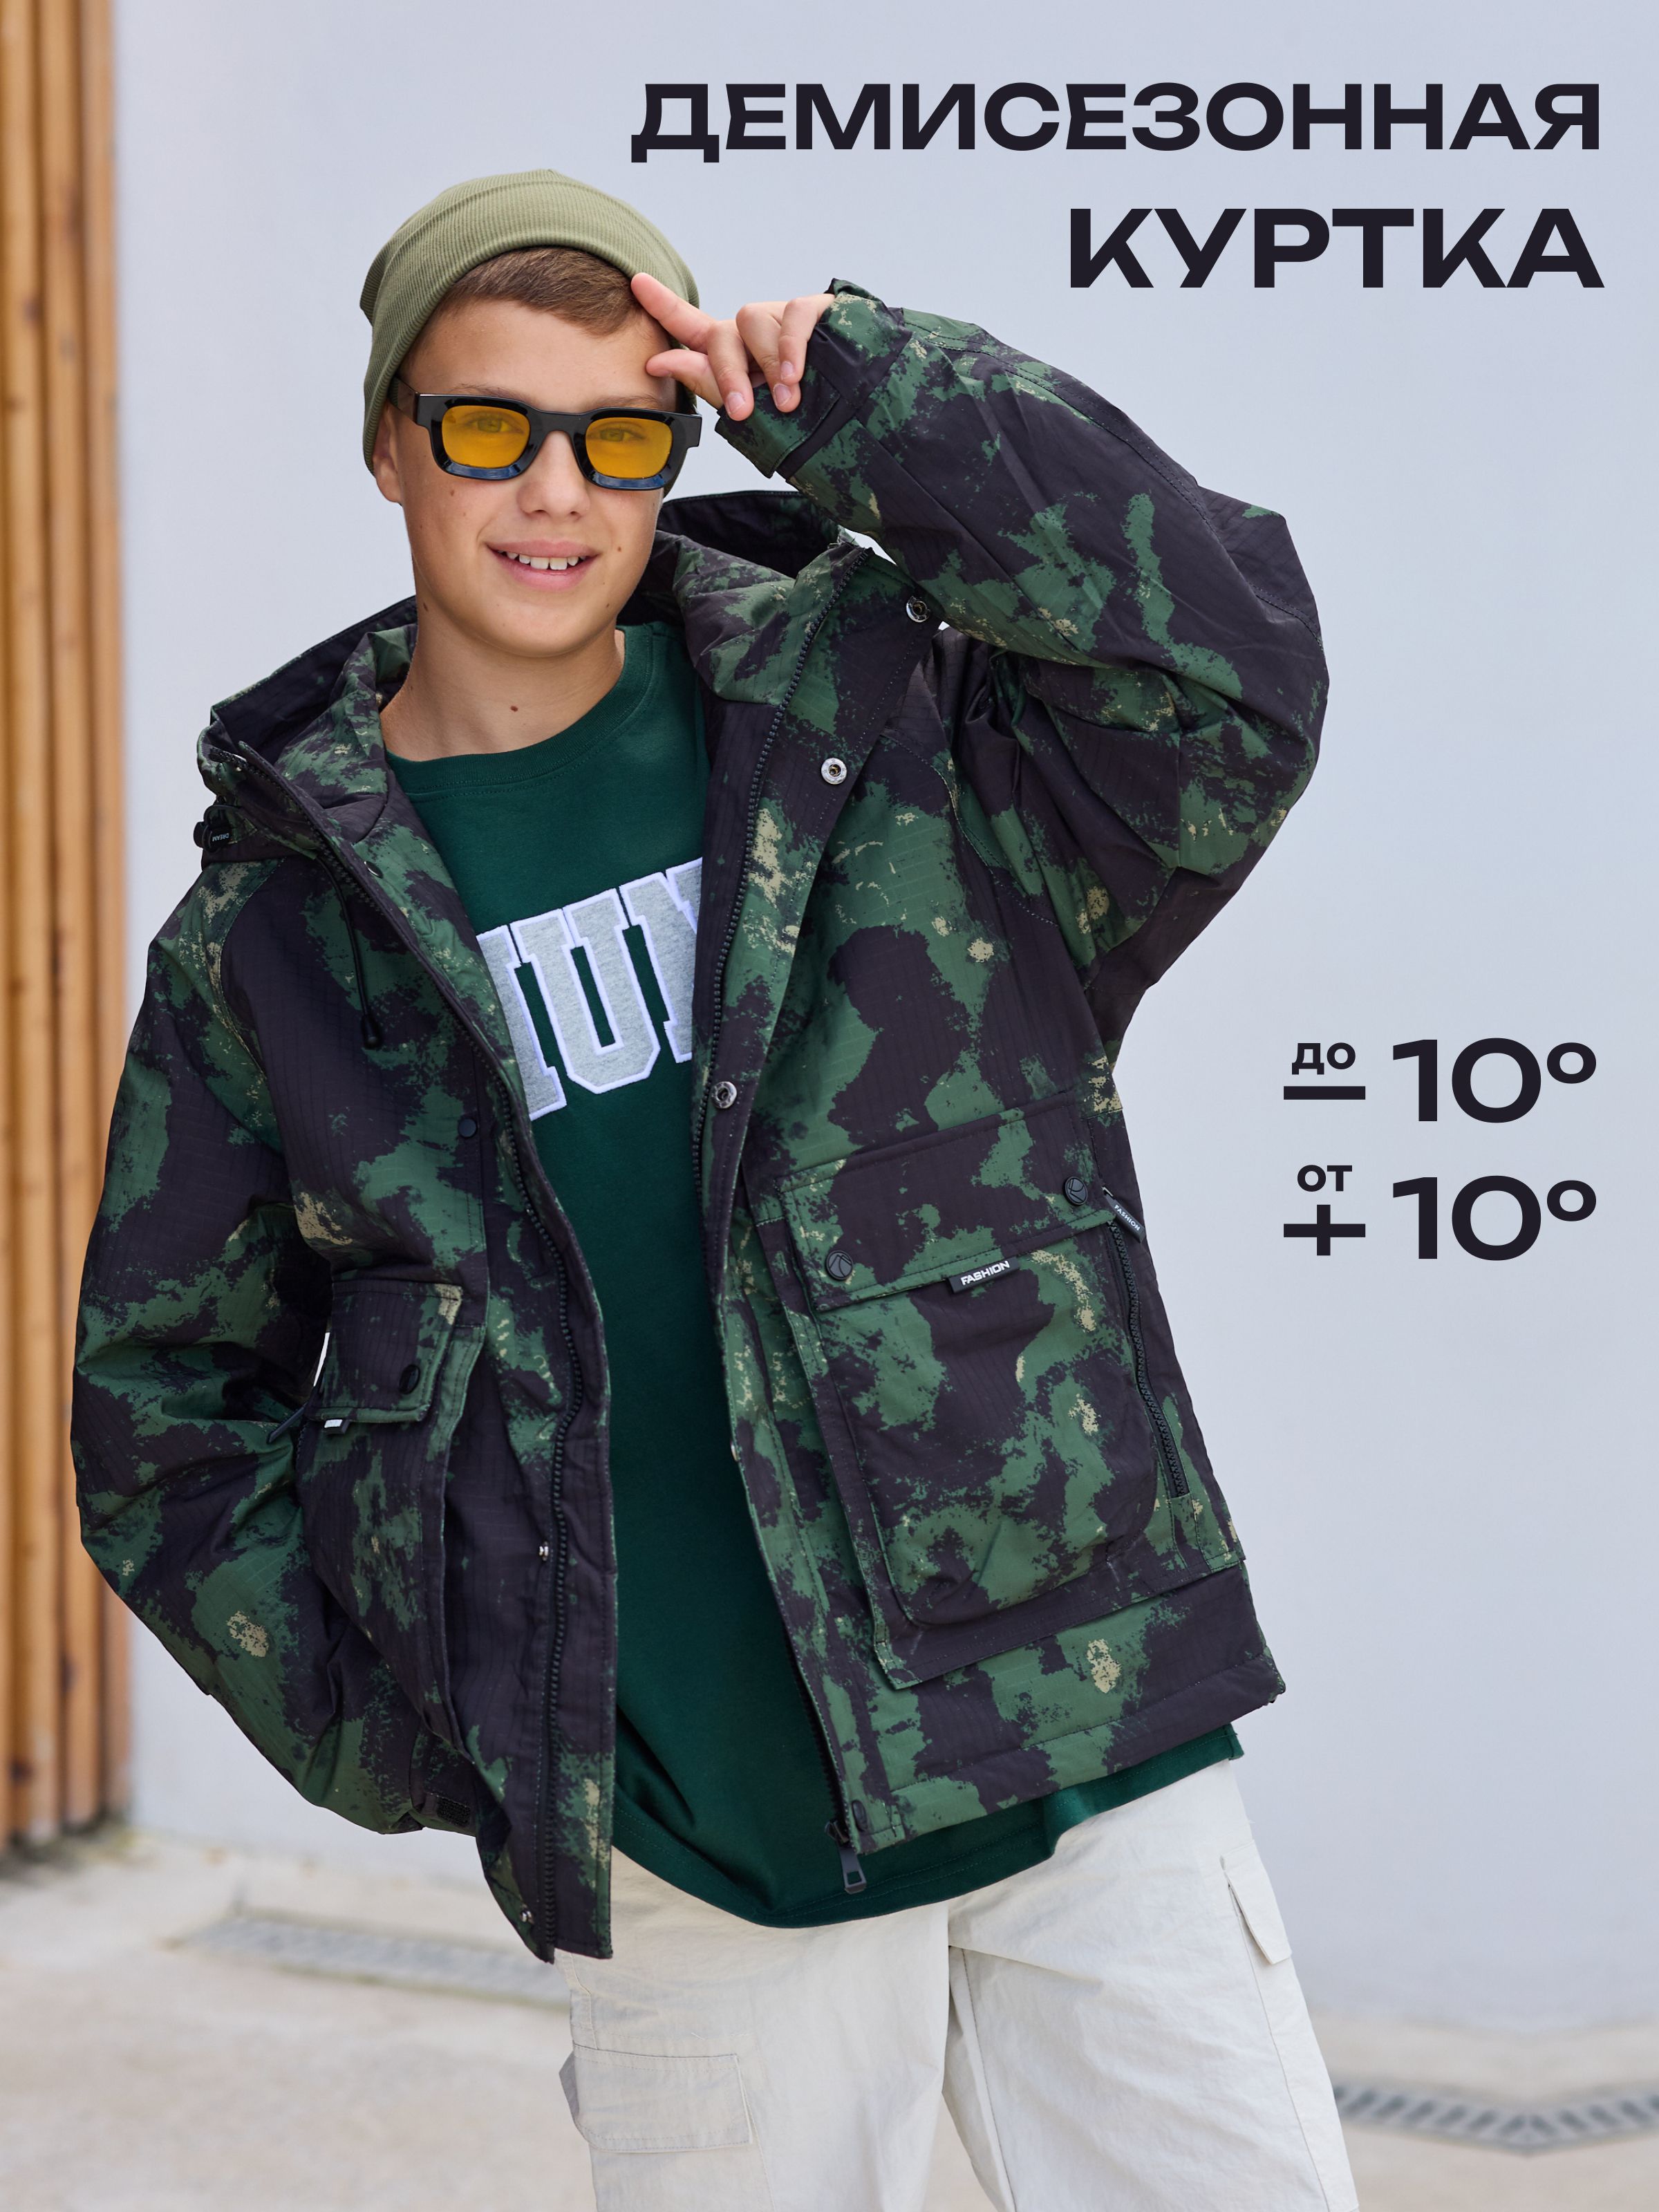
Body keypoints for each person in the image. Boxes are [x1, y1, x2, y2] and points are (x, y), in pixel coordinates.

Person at [73, 169, 1355, 2209]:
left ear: (681, 445)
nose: (553, 492)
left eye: (619, 434)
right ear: (391, 442)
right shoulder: (279, 939)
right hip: (704, 1856)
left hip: (1088, 1760)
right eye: (489, 427)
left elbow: (1234, 670)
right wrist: (452, 1730)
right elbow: (164, 1411)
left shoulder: (895, 730)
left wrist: (877, 396)